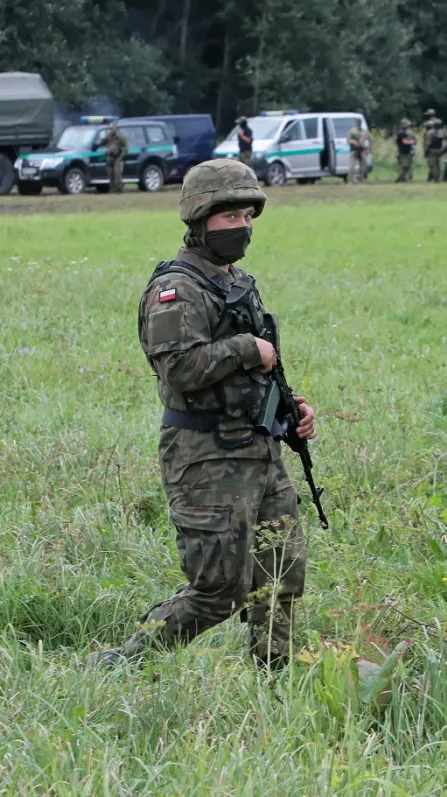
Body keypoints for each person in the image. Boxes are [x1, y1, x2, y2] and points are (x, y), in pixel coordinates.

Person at [92, 160, 316, 669]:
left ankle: (275, 679)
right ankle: (124, 663)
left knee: (281, 575)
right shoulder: (177, 290)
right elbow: (180, 369)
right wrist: (244, 348)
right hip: (207, 453)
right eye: (227, 216)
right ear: (198, 219)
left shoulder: (236, 281)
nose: (240, 226)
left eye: (246, 215)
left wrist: (292, 408)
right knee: (218, 588)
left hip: (258, 448)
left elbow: (259, 368)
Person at [103, 121, 128, 193]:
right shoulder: (108, 137)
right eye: (110, 128)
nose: (111, 130)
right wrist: (106, 136)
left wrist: (122, 155)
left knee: (118, 175)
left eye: (112, 128)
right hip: (109, 158)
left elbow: (126, 147)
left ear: (115, 128)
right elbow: (102, 142)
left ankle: (120, 189)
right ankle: (113, 190)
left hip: (117, 158)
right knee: (110, 175)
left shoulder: (120, 137)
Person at [423, 110, 447, 183]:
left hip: (430, 145)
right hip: (439, 146)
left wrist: (425, 150)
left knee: (432, 164)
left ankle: (435, 178)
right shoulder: (439, 121)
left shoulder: (426, 123)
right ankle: (432, 177)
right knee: (437, 163)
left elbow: (424, 134)